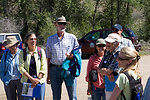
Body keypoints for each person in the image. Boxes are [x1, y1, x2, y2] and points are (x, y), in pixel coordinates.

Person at [46, 16, 81, 100]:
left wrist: (72, 56)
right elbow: (48, 58)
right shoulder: (50, 39)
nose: (62, 25)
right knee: (56, 96)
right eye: (60, 23)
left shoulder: (72, 38)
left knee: (72, 96)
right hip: (54, 70)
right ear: (56, 25)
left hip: (69, 69)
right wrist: (48, 75)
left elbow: (79, 53)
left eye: (64, 24)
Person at [19, 32, 47, 100]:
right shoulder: (22, 52)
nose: (33, 41)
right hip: (27, 81)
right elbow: (21, 68)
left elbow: (43, 67)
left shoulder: (41, 51)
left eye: (35, 39)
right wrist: (32, 79)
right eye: (31, 39)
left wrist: (37, 80)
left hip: (39, 81)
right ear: (26, 41)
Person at [99, 33, 121, 100]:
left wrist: (107, 72)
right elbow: (99, 69)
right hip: (109, 86)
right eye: (107, 42)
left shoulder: (120, 54)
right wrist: (108, 73)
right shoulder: (107, 53)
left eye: (110, 42)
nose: (107, 44)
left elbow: (112, 70)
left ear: (117, 44)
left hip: (118, 87)